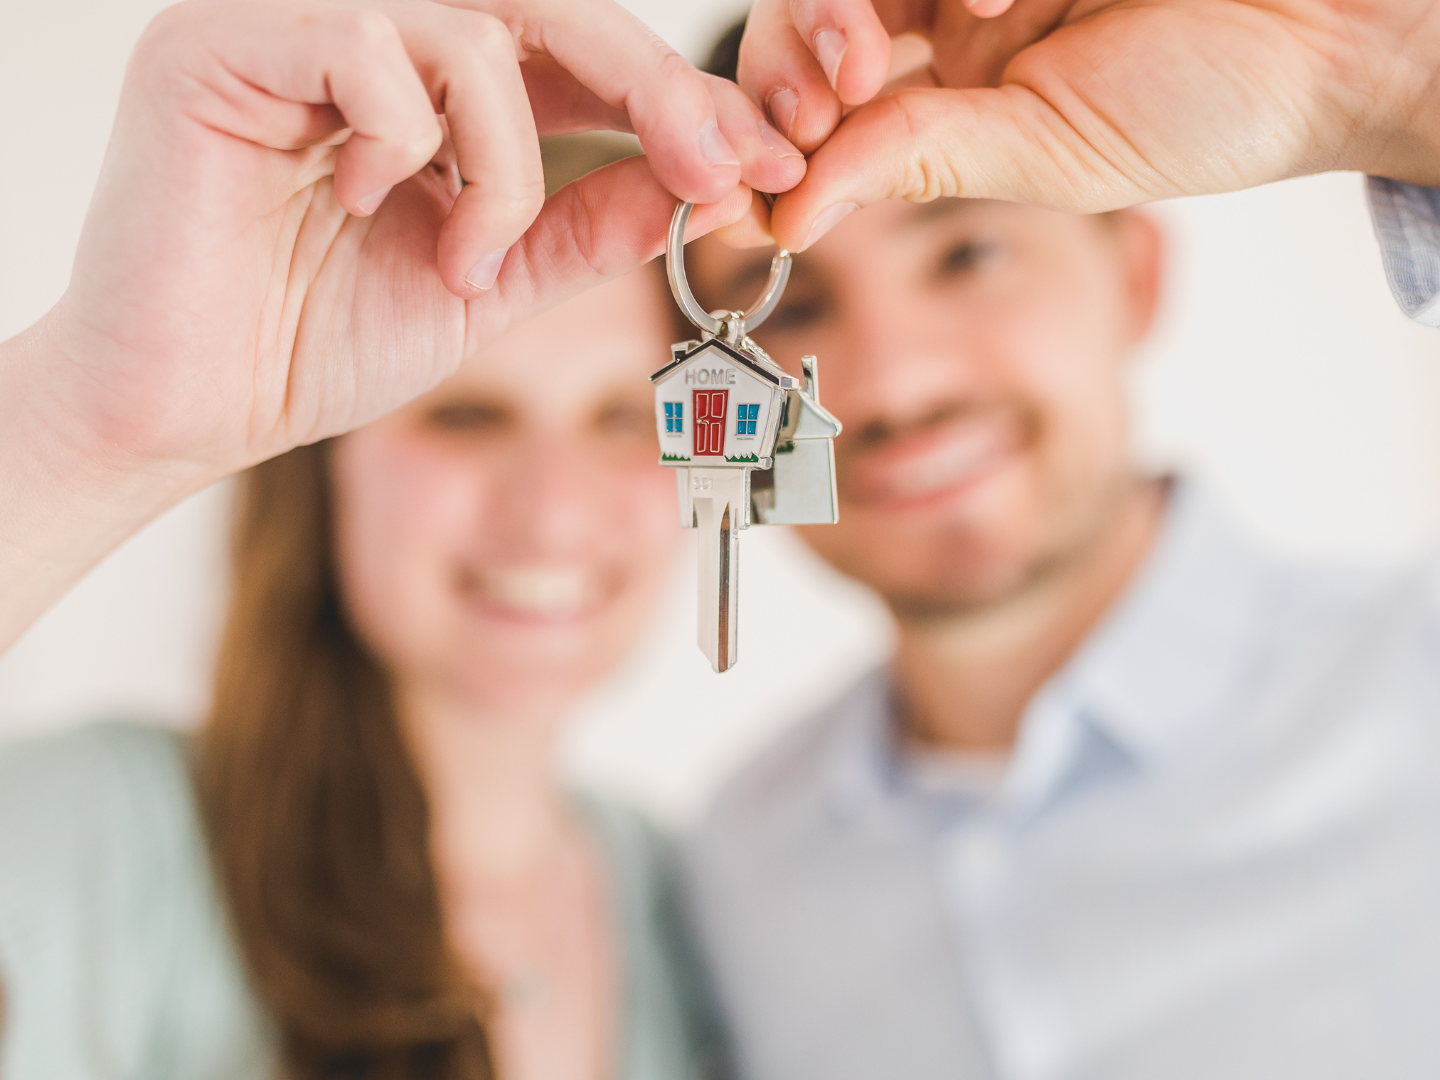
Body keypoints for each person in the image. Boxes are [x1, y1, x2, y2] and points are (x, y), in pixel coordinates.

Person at [681, 29, 1440, 1080]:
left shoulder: (1421, 681)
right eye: (791, 307)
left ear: (1133, 274)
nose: (895, 385)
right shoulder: (735, 868)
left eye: (968, 253)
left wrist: (1393, 83)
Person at [0, 136, 730, 1080]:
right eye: (466, 415)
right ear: (322, 464)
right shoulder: (95, 834)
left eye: (625, 418)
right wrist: (84, 422)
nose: (554, 509)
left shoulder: (689, 900)